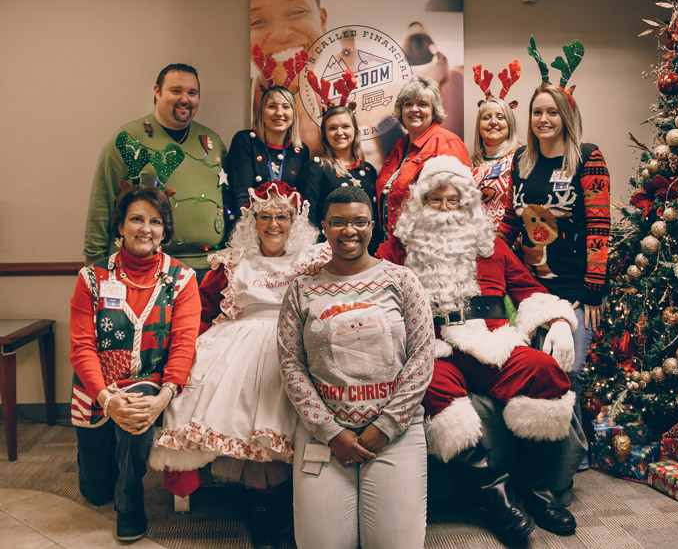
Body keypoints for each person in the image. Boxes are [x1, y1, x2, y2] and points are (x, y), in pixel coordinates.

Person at [376, 155, 582, 541]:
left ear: (468, 204)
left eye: (453, 200)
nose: (445, 208)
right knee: (429, 385)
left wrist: (557, 321)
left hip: (490, 344)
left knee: (544, 372)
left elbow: (529, 291)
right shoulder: (396, 251)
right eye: (435, 200)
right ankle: (497, 497)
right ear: (420, 203)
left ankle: (533, 489)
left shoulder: (493, 249)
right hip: (432, 347)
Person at [150, 181, 327, 548]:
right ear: (253, 220)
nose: (274, 223)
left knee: (279, 410)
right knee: (244, 410)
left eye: (282, 216)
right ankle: (263, 511)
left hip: (291, 337)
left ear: (295, 221)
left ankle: (289, 508)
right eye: (265, 216)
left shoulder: (312, 260)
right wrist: (182, 353)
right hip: (237, 340)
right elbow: (202, 307)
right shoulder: (234, 261)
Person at [278, 186, 434, 549]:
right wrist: (330, 431)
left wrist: (386, 425)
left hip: (395, 433)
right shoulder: (302, 289)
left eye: (359, 222)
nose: (349, 231)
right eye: (338, 222)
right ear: (324, 227)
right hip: (324, 434)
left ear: (373, 226)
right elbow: (290, 363)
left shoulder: (402, 280)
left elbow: (422, 356)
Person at [70, 186, 200, 542]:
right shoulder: (92, 278)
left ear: (165, 230)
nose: (146, 229)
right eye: (137, 219)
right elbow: (82, 347)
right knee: (95, 492)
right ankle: (108, 463)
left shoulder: (182, 279)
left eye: (155, 221)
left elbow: (184, 344)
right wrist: (106, 398)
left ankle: (129, 504)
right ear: (120, 226)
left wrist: (164, 394)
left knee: (138, 410)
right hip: (96, 390)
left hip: (148, 382)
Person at [498, 83, 610, 432]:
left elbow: (600, 227)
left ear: (567, 116)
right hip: (531, 289)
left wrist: (592, 289)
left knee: (568, 366)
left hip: (576, 286)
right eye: (537, 112)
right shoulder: (521, 160)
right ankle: (543, 447)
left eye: (552, 112)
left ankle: (574, 456)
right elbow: (511, 219)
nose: (543, 119)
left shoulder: (588, 158)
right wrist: (488, 252)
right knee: (536, 369)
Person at [84, 63, 229, 279]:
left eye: (192, 93)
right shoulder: (126, 140)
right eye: (176, 91)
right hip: (144, 269)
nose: (185, 99)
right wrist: (94, 272)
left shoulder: (213, 142)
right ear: (157, 92)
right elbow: (101, 207)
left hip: (209, 271)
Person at [375, 74, 469, 241]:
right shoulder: (398, 148)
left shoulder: (447, 143)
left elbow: (459, 206)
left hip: (426, 250)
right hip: (391, 250)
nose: (414, 109)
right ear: (401, 111)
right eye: (408, 104)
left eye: (423, 104)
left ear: (434, 111)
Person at [250, 0, 327, 156]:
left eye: (296, 12)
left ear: (322, 21)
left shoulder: (339, 111)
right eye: (257, 21)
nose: (281, 34)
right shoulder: (232, 107)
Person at [299, 105, 380, 253]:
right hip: (329, 254)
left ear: (355, 130)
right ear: (324, 134)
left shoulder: (368, 170)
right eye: (332, 128)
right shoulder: (315, 168)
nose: (339, 132)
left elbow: (376, 217)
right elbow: (306, 220)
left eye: (345, 126)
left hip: (368, 254)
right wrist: (316, 254)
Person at [226, 83, 309, 223]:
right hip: (251, 226)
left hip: (286, 229)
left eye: (286, 107)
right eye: (272, 106)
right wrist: (247, 235)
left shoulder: (301, 151)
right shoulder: (245, 141)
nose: (279, 113)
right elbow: (241, 195)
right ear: (262, 111)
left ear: (294, 114)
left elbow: (300, 202)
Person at [471, 96, 521, 232]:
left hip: (511, 245)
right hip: (476, 244)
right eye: (486, 117)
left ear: (509, 123)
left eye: (500, 117)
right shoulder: (472, 164)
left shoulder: (521, 158)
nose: (493, 122)